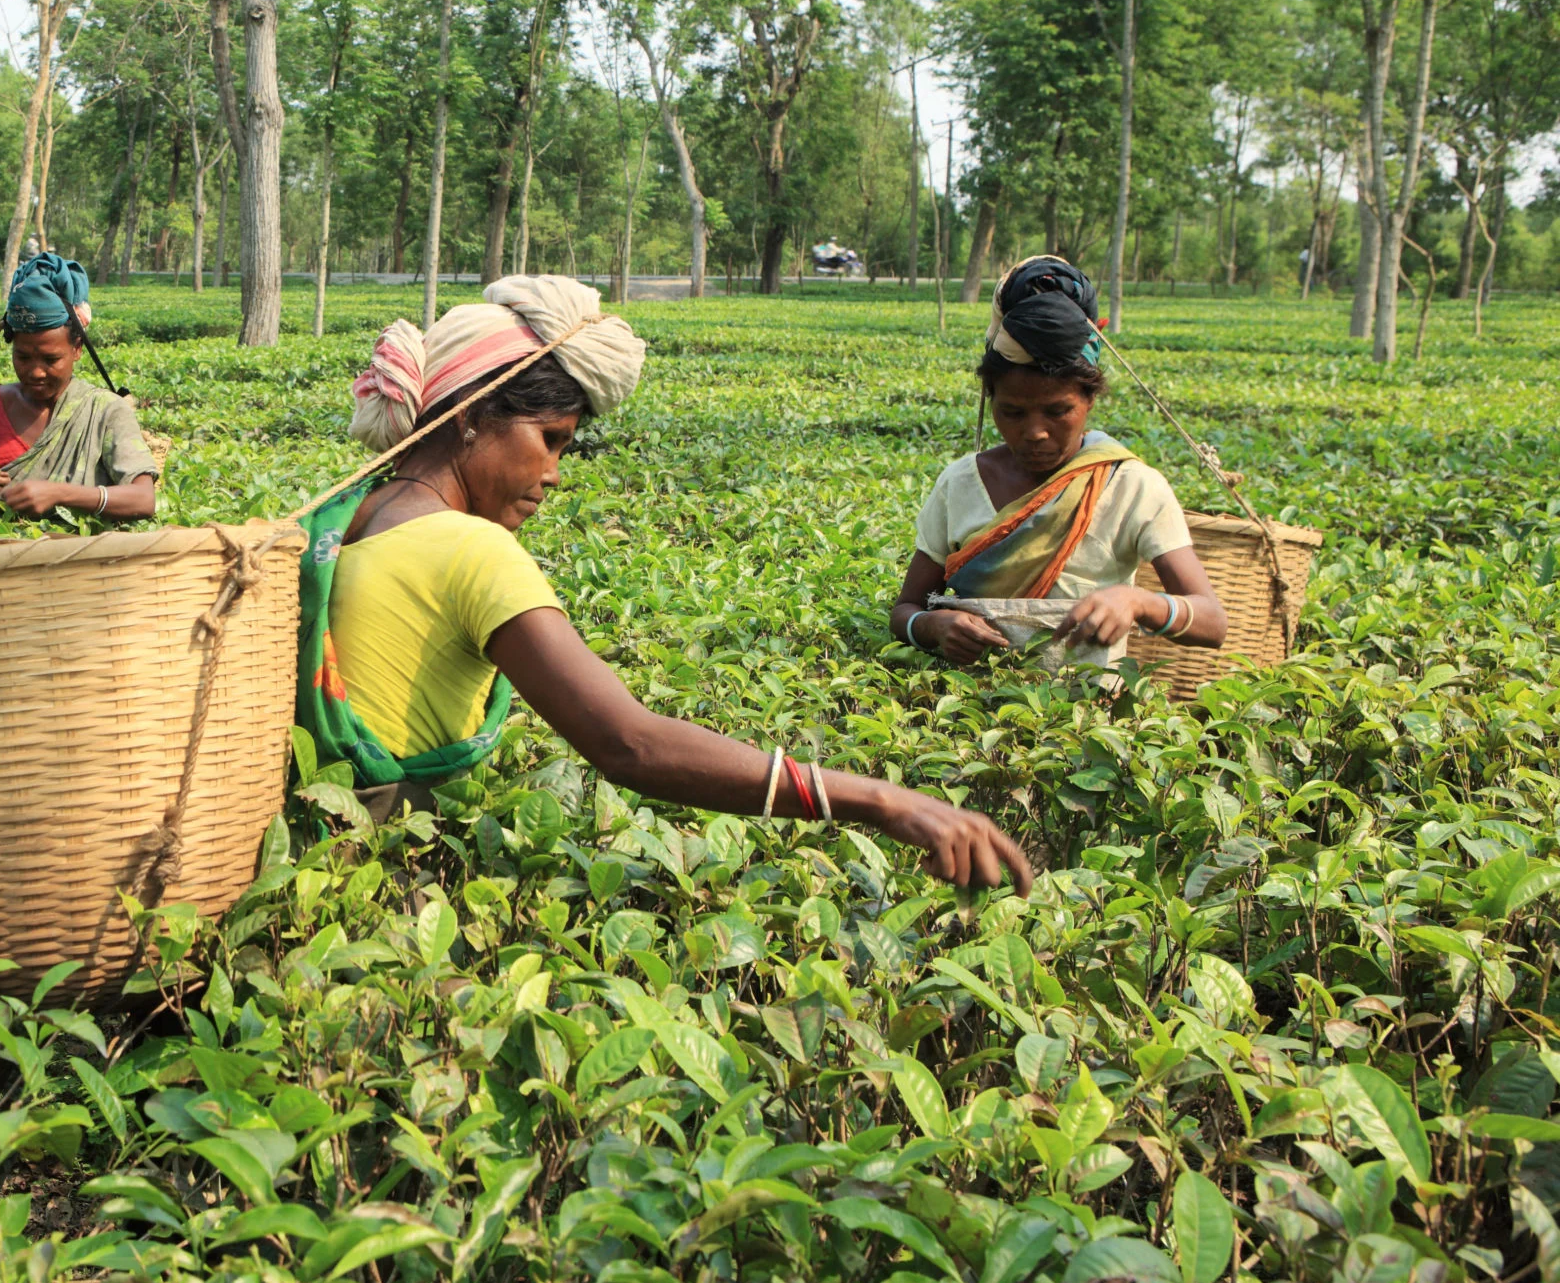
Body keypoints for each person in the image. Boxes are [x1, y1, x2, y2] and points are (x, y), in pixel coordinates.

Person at [300, 274, 1033, 891]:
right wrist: (878, 798)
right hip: (372, 874)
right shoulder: (470, 550)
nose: (554, 472)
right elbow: (632, 745)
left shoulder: (354, 516)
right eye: (549, 439)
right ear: (471, 418)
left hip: (304, 860)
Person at [890, 256, 1226, 667]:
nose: (1035, 432)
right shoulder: (960, 482)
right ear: (991, 403)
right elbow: (905, 609)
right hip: (960, 707)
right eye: (1013, 413)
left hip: (1088, 720)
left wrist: (1137, 602)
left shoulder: (1132, 486)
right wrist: (931, 627)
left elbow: (1212, 622)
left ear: (1089, 400)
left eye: (1057, 412)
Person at [0, 252, 160, 520]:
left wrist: (60, 494)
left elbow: (143, 499)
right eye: (23, 357)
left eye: (51, 359)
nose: (35, 372)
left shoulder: (106, 411)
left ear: (77, 349)